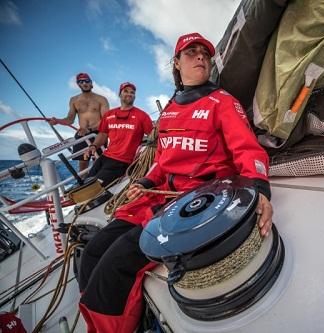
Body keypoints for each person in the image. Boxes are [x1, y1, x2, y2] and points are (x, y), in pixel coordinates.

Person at [78, 32, 274, 333]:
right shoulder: (169, 110)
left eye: (205, 55)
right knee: (92, 252)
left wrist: (259, 189)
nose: (200, 57)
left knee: (111, 271)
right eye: (191, 52)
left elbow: (247, 149)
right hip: (156, 197)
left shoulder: (221, 101)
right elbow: (163, 159)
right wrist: (145, 180)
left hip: (193, 201)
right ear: (177, 64)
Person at [83, 82, 153, 187]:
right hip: (105, 157)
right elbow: (102, 134)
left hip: (122, 162)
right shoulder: (109, 115)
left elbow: (153, 136)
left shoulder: (142, 116)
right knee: (87, 182)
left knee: (95, 187)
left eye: (132, 92)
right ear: (120, 94)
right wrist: (93, 146)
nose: (129, 94)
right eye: (126, 91)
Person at [49, 73, 109, 172]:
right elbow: (70, 119)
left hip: (98, 133)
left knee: (97, 161)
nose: (84, 83)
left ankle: (98, 181)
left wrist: (91, 129)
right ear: (78, 84)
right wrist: (57, 121)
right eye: (81, 81)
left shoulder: (101, 99)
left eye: (87, 81)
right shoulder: (74, 100)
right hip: (81, 134)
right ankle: (83, 182)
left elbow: (106, 120)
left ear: (91, 83)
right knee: (83, 162)